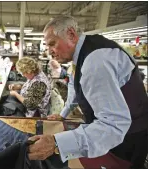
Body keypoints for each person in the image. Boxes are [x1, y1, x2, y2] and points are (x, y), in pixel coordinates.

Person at [28, 15, 148, 169]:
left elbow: (113, 124)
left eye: (52, 44)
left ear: (71, 35)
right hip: (112, 135)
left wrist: (55, 143)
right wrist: (63, 115)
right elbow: (74, 90)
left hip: (126, 140)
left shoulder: (95, 61)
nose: (49, 51)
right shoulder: (82, 56)